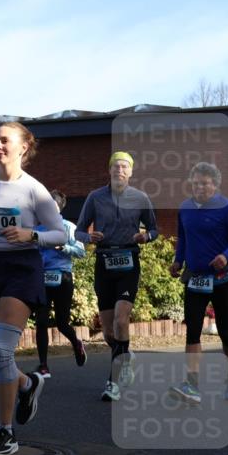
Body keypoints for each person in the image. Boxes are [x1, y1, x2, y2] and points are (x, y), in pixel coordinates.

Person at [0, 122, 67, 455]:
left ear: (23, 147)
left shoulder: (35, 190)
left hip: (22, 268)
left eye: (4, 141)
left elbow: (61, 234)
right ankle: (28, 383)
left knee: (0, 352)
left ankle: (5, 433)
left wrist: (31, 236)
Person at [75, 151, 158, 402]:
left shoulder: (141, 198)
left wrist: (146, 236)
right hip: (104, 261)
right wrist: (89, 238)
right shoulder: (95, 197)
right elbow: (78, 231)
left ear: (131, 172)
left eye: (124, 167)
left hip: (129, 260)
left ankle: (113, 382)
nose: (119, 170)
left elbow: (154, 229)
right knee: (110, 332)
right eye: (115, 166)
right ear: (109, 171)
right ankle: (125, 355)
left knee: (122, 320)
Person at [168, 162, 228, 403]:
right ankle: (192, 385)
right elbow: (183, 239)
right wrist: (178, 261)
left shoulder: (227, 208)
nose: (200, 187)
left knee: (225, 331)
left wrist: (226, 256)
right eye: (196, 183)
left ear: (215, 185)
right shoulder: (185, 208)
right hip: (195, 278)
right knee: (192, 331)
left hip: (222, 278)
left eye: (205, 183)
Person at [33, 190, 88, 378]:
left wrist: (63, 247)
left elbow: (81, 252)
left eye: (52, 206)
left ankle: (76, 343)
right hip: (42, 278)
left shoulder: (68, 227)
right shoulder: (38, 230)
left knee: (62, 323)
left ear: (59, 208)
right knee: (41, 321)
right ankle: (43, 365)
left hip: (63, 277)